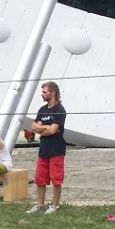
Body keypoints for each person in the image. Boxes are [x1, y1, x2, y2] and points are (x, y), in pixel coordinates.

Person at [27, 81, 67, 214]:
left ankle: (55, 205)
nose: (42, 95)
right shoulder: (42, 110)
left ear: (53, 93)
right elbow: (34, 127)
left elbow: (53, 130)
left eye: (44, 92)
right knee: (40, 178)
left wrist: (44, 129)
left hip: (56, 149)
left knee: (56, 178)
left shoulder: (59, 110)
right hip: (44, 148)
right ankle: (40, 205)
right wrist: (47, 128)